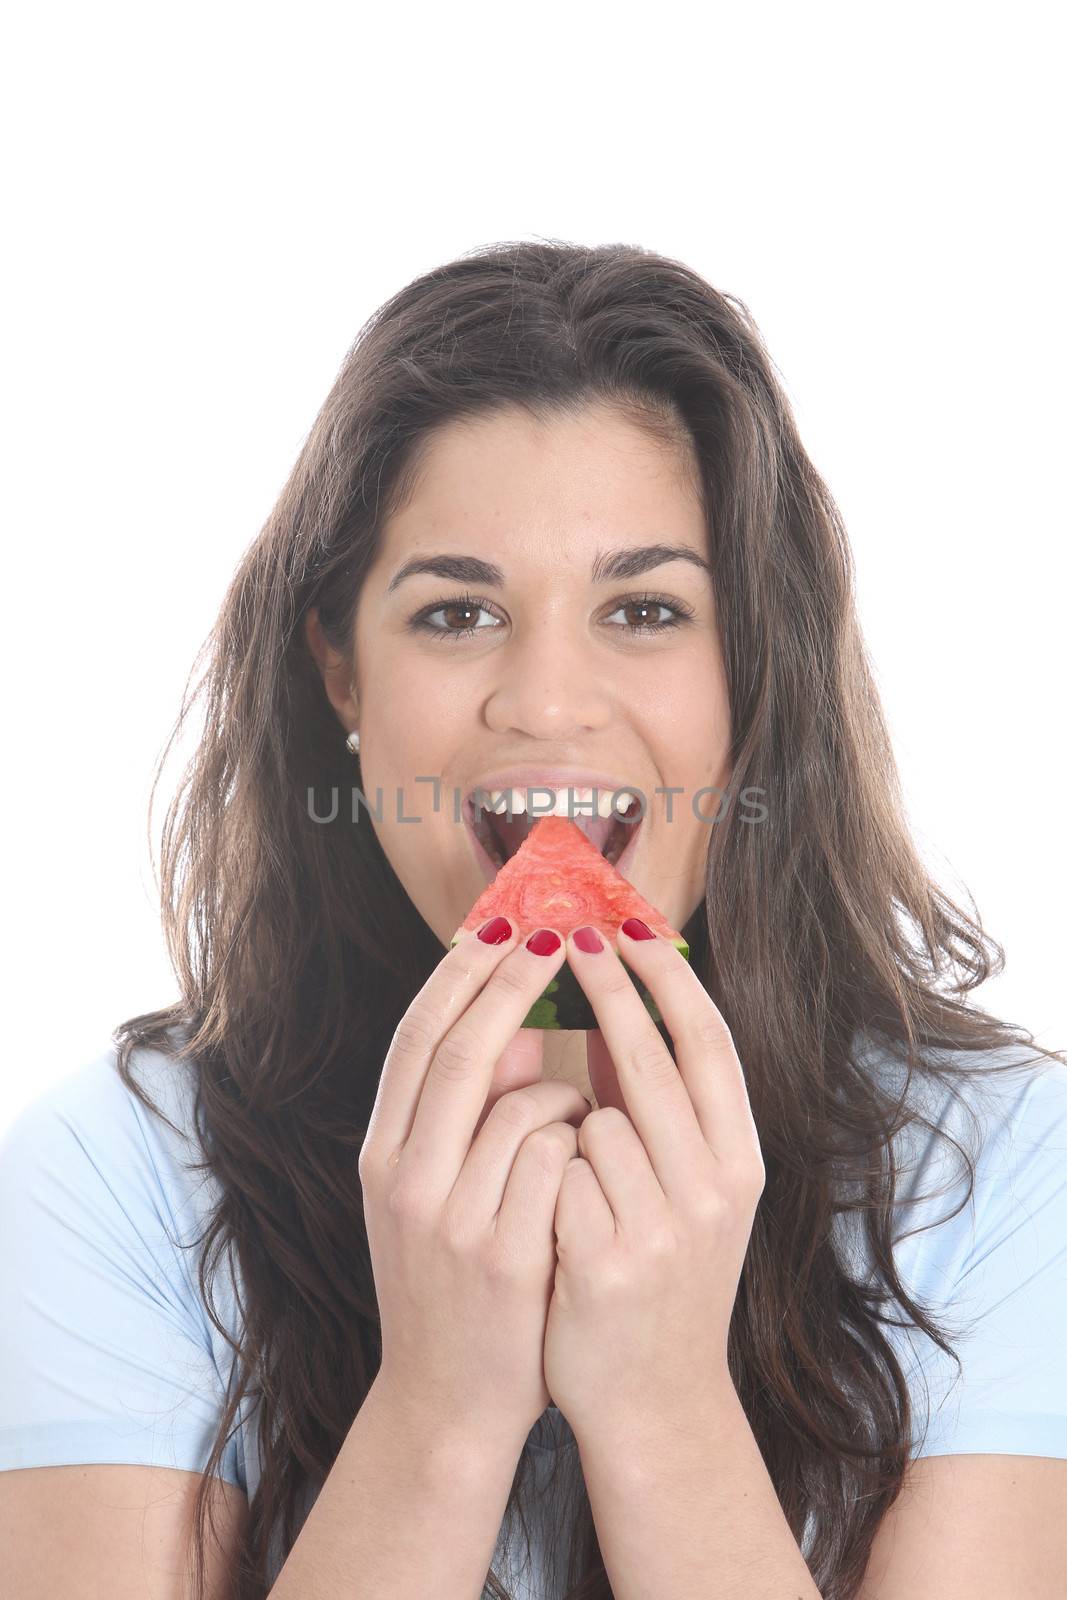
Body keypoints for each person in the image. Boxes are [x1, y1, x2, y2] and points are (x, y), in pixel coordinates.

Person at [1, 238, 1065, 1600]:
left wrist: (662, 1408)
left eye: (645, 607)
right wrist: (444, 1402)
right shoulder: (116, 1172)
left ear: (755, 675)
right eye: (455, 613)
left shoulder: (1007, 1170)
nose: (548, 701)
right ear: (340, 669)